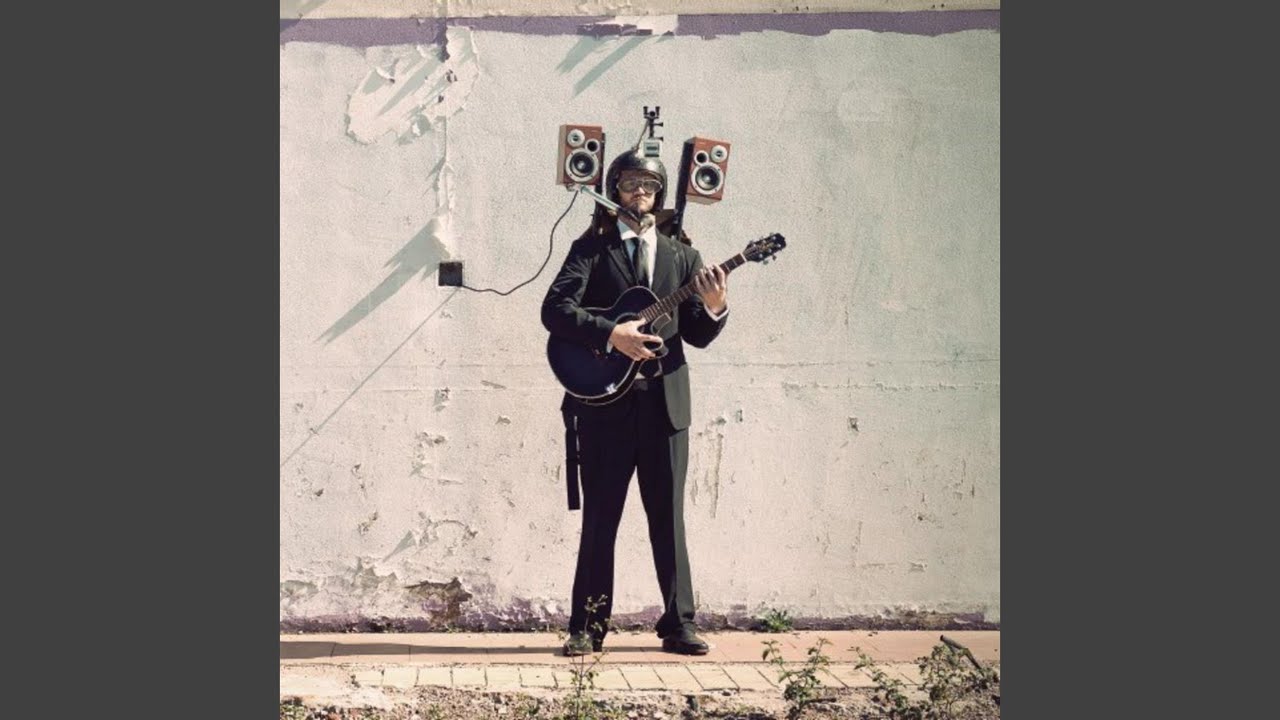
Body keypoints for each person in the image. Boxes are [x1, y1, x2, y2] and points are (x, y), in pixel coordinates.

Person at [542, 146, 730, 656]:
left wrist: (715, 306)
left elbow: (697, 334)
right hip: (604, 407)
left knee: (668, 519)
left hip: (666, 406)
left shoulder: (683, 257)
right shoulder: (591, 249)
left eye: (649, 185)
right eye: (630, 184)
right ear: (615, 191)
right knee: (600, 519)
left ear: (659, 195)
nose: (640, 192)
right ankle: (587, 627)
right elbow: (555, 310)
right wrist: (611, 334)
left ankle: (679, 624)